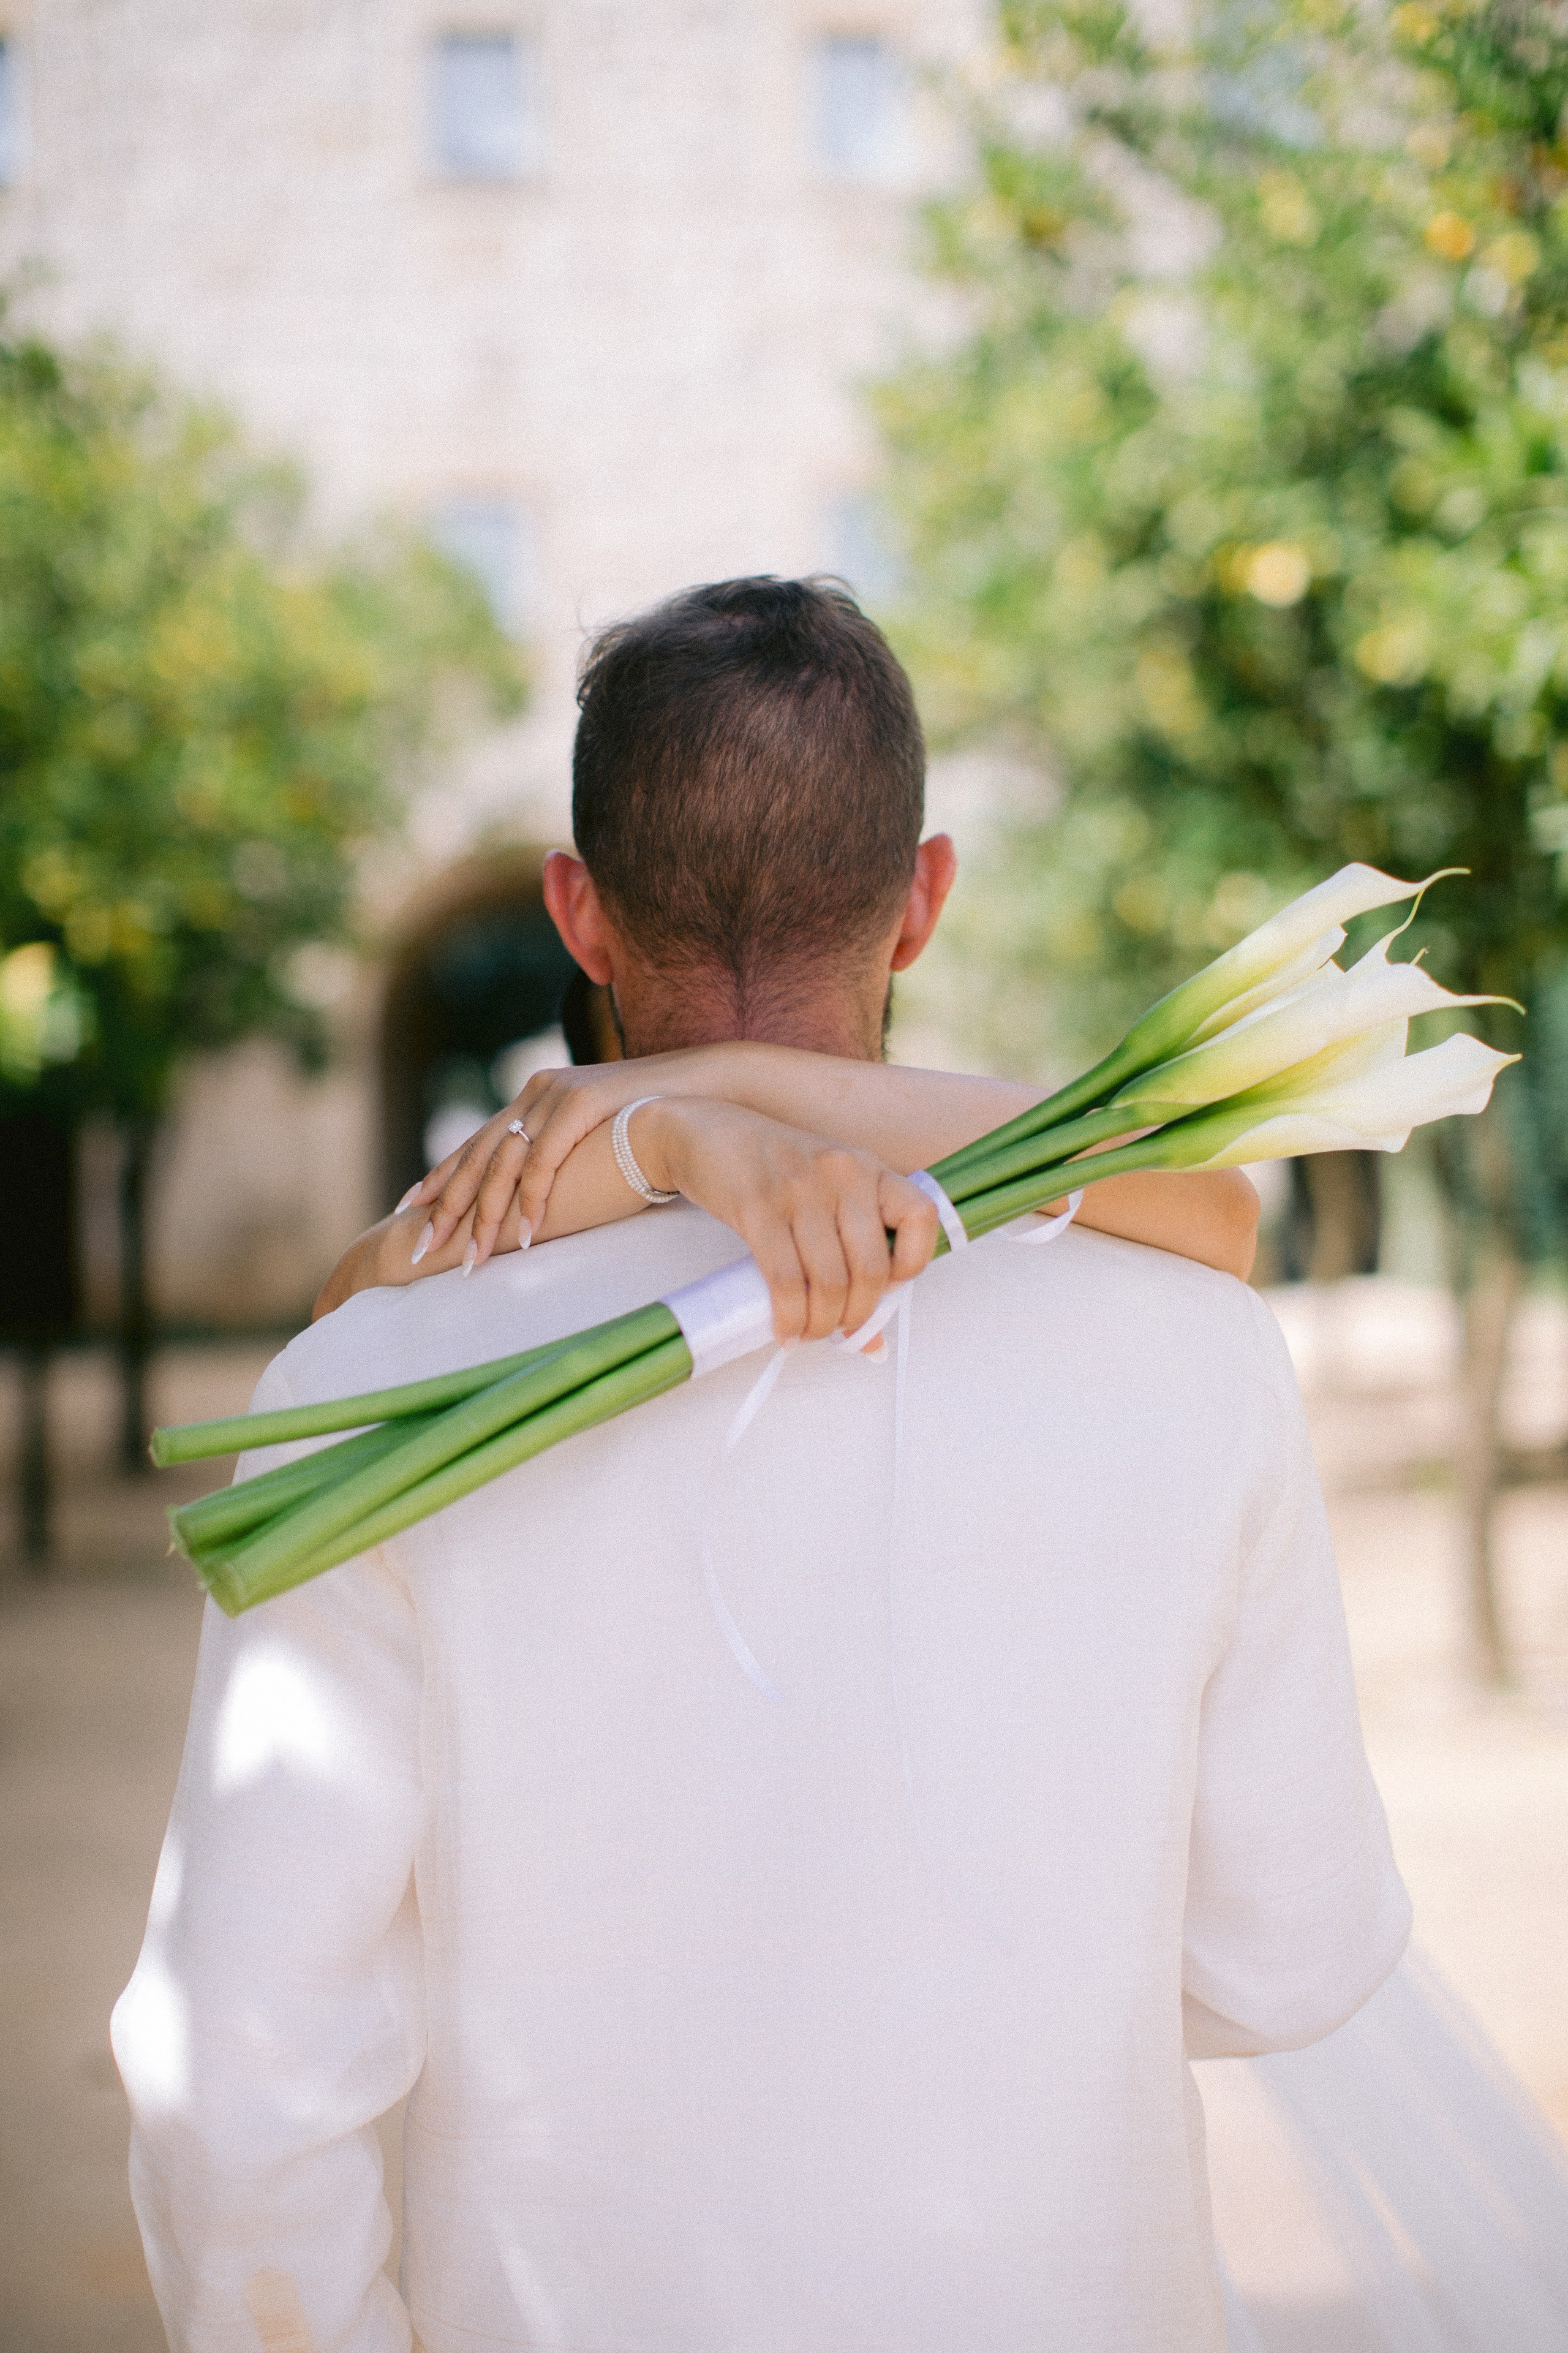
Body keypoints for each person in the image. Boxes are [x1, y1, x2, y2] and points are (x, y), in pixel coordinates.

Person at [114, 578, 1412, 2353]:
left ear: (577, 909)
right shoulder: (1196, 1349)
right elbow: (1291, 1958)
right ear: (924, 900)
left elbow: (240, 2088)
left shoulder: (377, 1378)